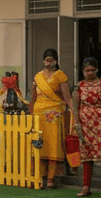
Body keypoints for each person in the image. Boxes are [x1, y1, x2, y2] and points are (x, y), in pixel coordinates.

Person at [29, 48, 77, 189]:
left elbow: (67, 96)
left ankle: (51, 178)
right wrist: (30, 113)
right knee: (39, 145)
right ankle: (39, 176)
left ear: (56, 61)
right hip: (38, 114)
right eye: (46, 59)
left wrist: (72, 109)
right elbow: (33, 97)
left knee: (53, 147)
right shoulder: (38, 77)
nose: (48, 62)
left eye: (51, 60)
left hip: (54, 114)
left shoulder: (60, 75)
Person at [74, 57, 101, 197]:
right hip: (85, 124)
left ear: (97, 70)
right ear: (83, 71)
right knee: (87, 156)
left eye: (93, 70)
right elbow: (75, 108)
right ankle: (86, 187)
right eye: (87, 70)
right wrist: (76, 124)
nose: (90, 72)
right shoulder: (79, 87)